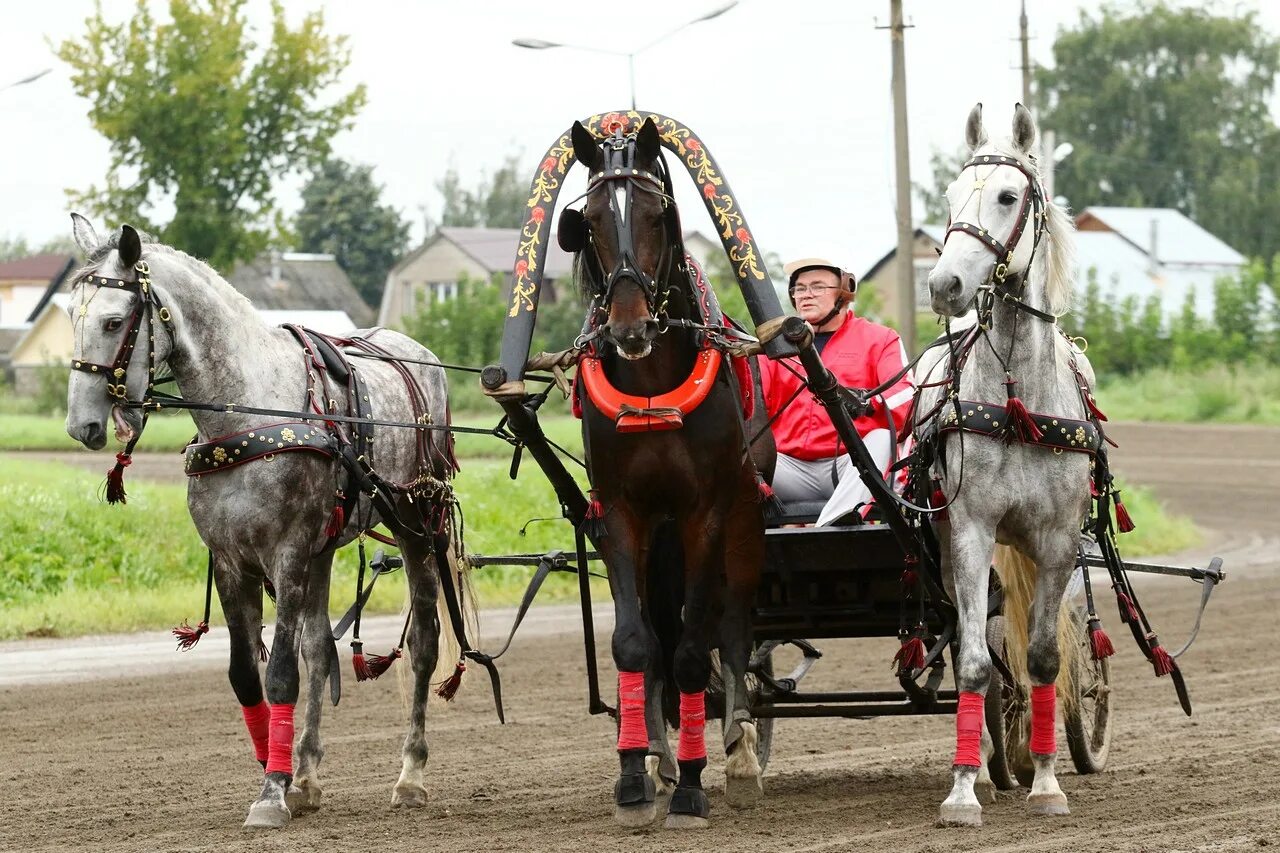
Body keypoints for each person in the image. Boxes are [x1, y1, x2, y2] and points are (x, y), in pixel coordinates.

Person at [760, 257, 915, 525]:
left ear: (844, 293)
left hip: (851, 467)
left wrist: (869, 403)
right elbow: (750, 403)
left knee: (881, 437)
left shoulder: (880, 339)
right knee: (739, 450)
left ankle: (830, 525)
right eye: (799, 288)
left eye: (818, 287)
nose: (806, 295)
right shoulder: (775, 348)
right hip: (789, 469)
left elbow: (906, 395)